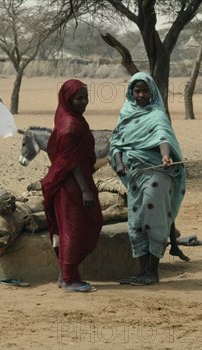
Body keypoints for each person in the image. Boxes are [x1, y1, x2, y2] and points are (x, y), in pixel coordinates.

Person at [110, 72, 187, 285]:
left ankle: (153, 272)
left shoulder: (157, 114)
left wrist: (165, 155)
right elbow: (116, 143)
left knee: (154, 220)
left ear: (151, 91)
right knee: (136, 221)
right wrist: (118, 163)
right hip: (134, 174)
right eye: (137, 91)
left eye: (145, 90)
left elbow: (163, 136)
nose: (141, 95)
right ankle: (142, 271)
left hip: (157, 174)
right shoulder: (126, 113)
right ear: (131, 92)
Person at [41, 79, 103, 292]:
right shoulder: (70, 125)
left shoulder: (69, 117)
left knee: (72, 228)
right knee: (73, 230)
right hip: (72, 187)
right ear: (68, 99)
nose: (84, 102)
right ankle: (69, 279)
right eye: (79, 98)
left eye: (86, 97)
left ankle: (64, 276)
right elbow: (71, 161)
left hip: (74, 182)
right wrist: (85, 189)